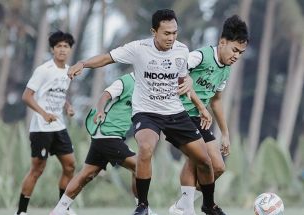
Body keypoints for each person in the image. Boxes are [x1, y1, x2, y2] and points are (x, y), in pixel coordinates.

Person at [67, 9, 225, 215]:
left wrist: (202, 107)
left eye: (174, 32)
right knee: (146, 148)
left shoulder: (182, 50)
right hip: (146, 113)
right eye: (166, 33)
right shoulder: (138, 48)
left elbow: (183, 82)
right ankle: (142, 205)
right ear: (154, 31)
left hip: (175, 112)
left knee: (204, 160)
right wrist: (83, 63)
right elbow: (108, 58)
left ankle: (208, 205)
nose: (171, 37)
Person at [169, 14, 249, 215]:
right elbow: (179, 73)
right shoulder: (200, 56)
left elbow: (216, 100)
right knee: (201, 159)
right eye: (234, 50)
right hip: (179, 113)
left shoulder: (225, 70)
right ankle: (196, 207)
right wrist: (201, 107)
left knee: (218, 167)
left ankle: (183, 205)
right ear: (222, 42)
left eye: (241, 52)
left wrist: (225, 134)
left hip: (199, 118)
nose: (237, 56)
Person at [50, 72, 156, 215]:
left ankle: (58, 210)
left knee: (86, 174)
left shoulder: (146, 86)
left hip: (104, 136)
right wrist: (101, 111)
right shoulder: (125, 81)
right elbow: (104, 95)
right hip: (108, 135)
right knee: (139, 166)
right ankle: (143, 209)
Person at [14, 31, 77, 215]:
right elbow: (27, 96)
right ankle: (21, 212)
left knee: (70, 165)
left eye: (66, 46)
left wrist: (67, 106)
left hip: (59, 126)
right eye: (59, 46)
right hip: (41, 128)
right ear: (52, 49)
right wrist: (44, 113)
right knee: (37, 169)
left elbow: (57, 93)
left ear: (70, 50)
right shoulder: (43, 70)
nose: (62, 50)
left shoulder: (69, 71)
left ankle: (62, 208)